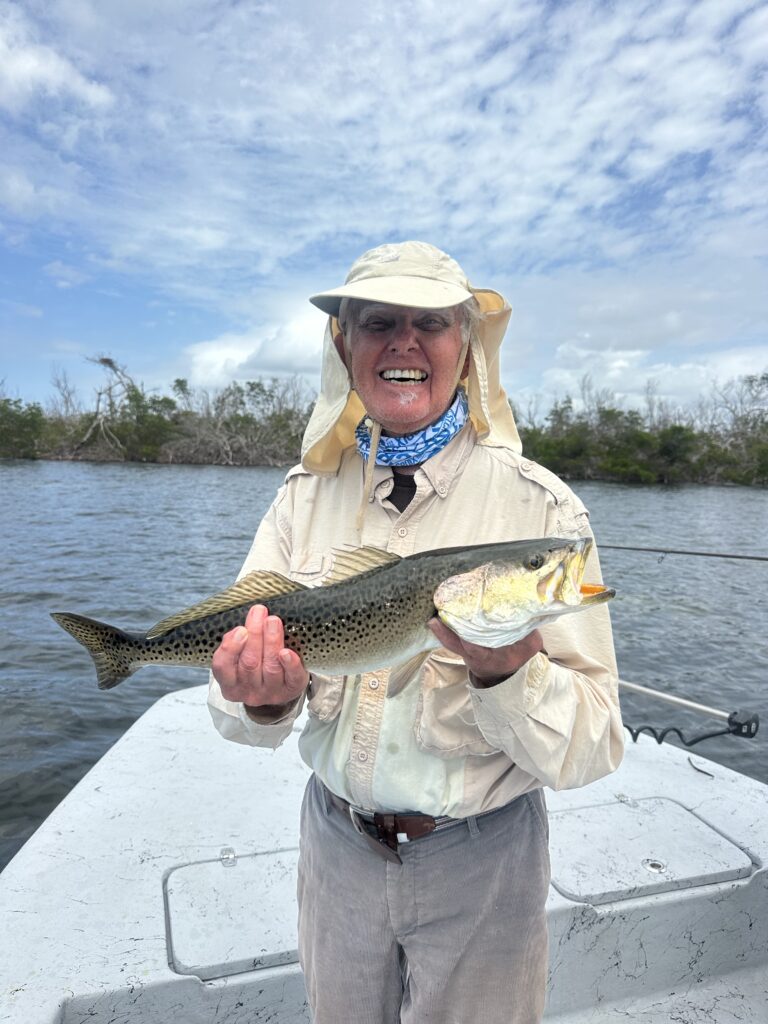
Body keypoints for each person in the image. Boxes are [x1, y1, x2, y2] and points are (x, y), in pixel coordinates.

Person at [208, 240, 624, 1024]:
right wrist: (262, 703)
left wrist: (509, 673)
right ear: (345, 344)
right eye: (377, 322)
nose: (404, 341)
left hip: (484, 862)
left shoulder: (546, 515)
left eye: (430, 322)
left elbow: (596, 745)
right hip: (335, 848)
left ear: (465, 345)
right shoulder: (301, 500)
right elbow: (235, 704)